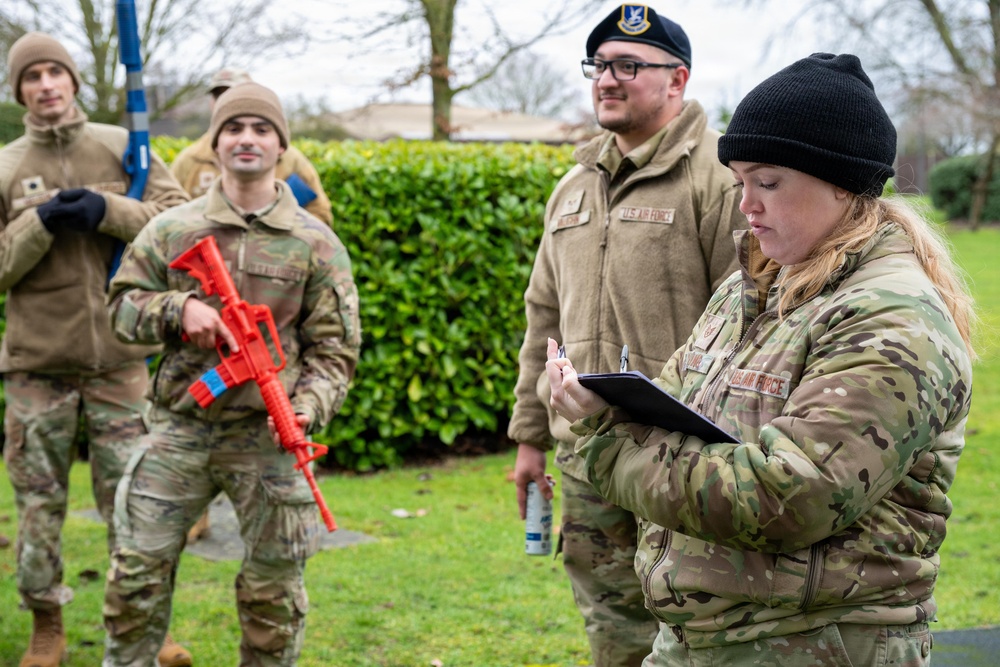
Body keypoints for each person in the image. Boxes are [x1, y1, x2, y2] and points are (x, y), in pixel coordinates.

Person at [546, 52, 975, 666]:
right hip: (701, 642)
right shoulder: (753, 285)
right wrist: (601, 404)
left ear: (843, 183)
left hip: (817, 646)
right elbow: (671, 400)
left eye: (768, 182)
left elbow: (788, 497)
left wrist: (605, 443)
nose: (746, 205)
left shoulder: (892, 318)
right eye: (740, 181)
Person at [507, 5, 745, 665]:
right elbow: (543, 314)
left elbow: (754, 320)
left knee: (702, 629)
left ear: (678, 80)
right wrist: (529, 434)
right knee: (612, 627)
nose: (606, 80)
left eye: (627, 65)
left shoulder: (719, 179)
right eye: (599, 65)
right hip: (587, 454)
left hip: (684, 457)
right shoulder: (572, 187)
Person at [101, 81, 361, 666]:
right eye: (234, 129)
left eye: (262, 129)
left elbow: (334, 350)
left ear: (281, 147)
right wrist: (178, 308)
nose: (247, 139)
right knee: (135, 577)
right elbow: (119, 308)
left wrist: (307, 409)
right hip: (179, 430)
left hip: (269, 437)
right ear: (215, 144)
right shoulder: (173, 230)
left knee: (274, 593)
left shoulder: (314, 243)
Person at [0, 32, 191, 667]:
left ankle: (145, 624)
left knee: (136, 505)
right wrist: (41, 223)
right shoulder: (4, 167)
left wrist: (108, 207)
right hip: (37, 367)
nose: (46, 85)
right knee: (37, 507)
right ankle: (46, 626)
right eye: (32, 77)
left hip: (120, 359)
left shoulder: (120, 145)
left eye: (56, 72)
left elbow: (180, 221)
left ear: (74, 80)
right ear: (19, 89)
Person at [169, 66, 334, 227]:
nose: (227, 99)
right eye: (219, 95)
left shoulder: (289, 158)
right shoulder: (190, 159)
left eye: (236, 92)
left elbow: (319, 212)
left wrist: (287, 239)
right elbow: (170, 218)